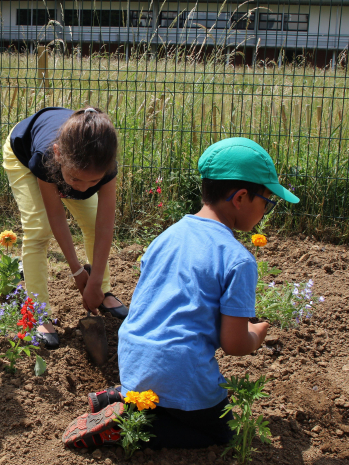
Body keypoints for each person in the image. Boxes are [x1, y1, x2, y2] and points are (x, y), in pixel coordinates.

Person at [62, 137, 300, 448]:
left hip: (133, 360)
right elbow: (234, 344)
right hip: (178, 371)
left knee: (166, 380)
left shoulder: (168, 235)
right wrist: (256, 333)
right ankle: (124, 425)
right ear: (241, 197)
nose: (266, 211)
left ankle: (124, 396)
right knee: (223, 433)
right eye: (266, 202)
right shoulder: (238, 260)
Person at [3, 107, 129, 347]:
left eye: (94, 181)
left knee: (92, 222)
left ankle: (102, 292)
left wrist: (94, 280)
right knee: (38, 230)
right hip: (23, 153)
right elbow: (56, 217)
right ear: (58, 154)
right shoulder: (46, 157)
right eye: (76, 180)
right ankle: (37, 313)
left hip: (73, 163)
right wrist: (77, 271)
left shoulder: (104, 163)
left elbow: (104, 226)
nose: (82, 189)